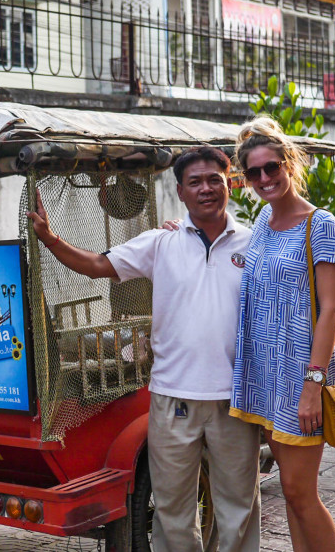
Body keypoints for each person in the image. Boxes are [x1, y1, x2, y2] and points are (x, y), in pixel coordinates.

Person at [26, 146, 260, 552]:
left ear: (229, 184)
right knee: (172, 510)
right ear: (181, 192)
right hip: (172, 399)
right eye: (195, 182)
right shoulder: (160, 243)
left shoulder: (255, 244)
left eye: (214, 180)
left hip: (235, 399)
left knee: (238, 507)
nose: (206, 189)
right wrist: (50, 239)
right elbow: (99, 264)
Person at [230, 116, 335, 552]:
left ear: (289, 165)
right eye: (254, 172)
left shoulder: (321, 225)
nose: (264, 178)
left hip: (302, 376)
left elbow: (331, 309)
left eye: (272, 167)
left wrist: (312, 387)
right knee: (293, 498)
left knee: (299, 492)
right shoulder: (261, 220)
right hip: (266, 376)